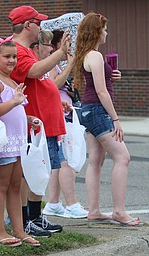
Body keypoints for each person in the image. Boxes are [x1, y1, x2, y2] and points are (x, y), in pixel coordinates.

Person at [8, 5, 71, 237]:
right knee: (28, 174)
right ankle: (24, 219)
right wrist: (60, 52)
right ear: (28, 25)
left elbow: (42, 82)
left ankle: (34, 216)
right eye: (38, 22)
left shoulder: (26, 50)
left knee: (38, 173)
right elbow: (33, 72)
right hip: (31, 122)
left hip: (43, 122)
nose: (41, 26)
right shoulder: (17, 49)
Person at [72, 12, 140, 226]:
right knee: (123, 157)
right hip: (98, 110)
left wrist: (111, 75)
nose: (107, 32)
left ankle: (94, 210)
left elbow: (96, 83)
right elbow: (101, 92)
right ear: (97, 31)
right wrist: (116, 119)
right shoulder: (95, 55)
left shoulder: (87, 55)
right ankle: (119, 211)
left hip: (88, 109)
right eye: (104, 29)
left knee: (96, 161)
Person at [0, 36, 41, 247]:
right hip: (2, 143)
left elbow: (15, 111)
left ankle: (19, 229)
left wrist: (29, 119)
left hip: (17, 143)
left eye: (14, 57)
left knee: (16, 187)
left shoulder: (13, 82)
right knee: (1, 186)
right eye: (6, 56)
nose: (12, 61)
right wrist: (13, 101)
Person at [42, 29, 88, 219]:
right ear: (56, 45)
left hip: (63, 111)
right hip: (57, 115)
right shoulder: (53, 63)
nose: (70, 45)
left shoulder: (57, 64)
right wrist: (69, 64)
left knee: (58, 161)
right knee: (65, 161)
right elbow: (53, 84)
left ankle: (53, 202)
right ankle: (72, 203)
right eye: (66, 41)